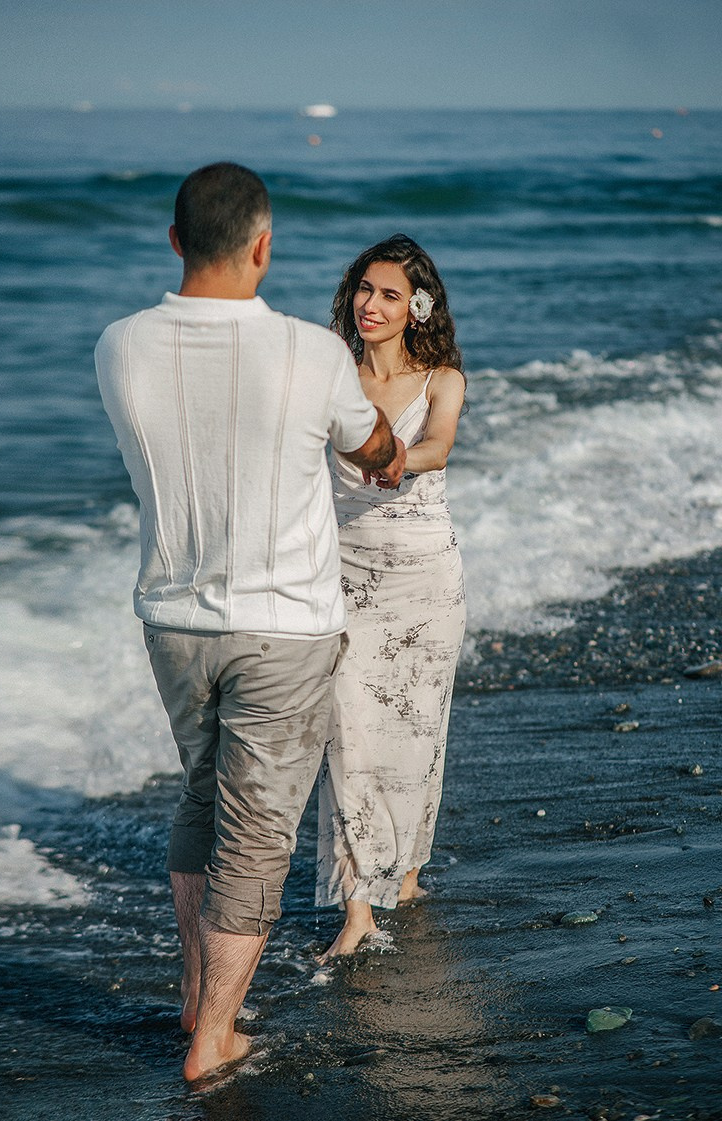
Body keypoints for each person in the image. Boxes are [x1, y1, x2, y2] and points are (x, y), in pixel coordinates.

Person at [94, 164, 406, 1081]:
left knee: (201, 795)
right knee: (258, 831)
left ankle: (197, 996)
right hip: (286, 626)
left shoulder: (118, 344)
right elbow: (373, 447)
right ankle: (211, 1038)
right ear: (264, 246)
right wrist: (385, 449)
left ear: (175, 240)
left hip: (173, 618)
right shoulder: (314, 353)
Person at [315, 234, 467, 960]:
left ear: (418, 307)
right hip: (344, 576)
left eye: (389, 294)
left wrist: (395, 458)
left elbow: (437, 444)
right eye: (363, 290)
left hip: (427, 581)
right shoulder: (331, 374)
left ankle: (405, 871)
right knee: (345, 734)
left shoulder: (443, 379)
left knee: (417, 734)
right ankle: (357, 905)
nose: (370, 305)